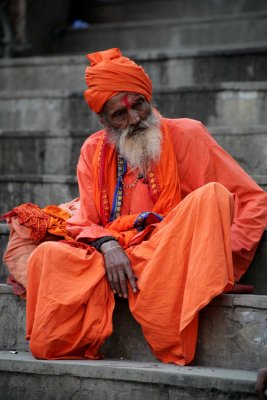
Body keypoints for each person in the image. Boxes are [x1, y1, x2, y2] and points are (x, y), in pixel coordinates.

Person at [19, 48, 267, 364]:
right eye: (120, 115)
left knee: (213, 197)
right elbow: (86, 220)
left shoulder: (187, 133)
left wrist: (219, 257)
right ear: (103, 120)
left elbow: (251, 200)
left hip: (171, 250)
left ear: (148, 98)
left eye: (139, 104)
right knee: (48, 255)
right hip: (118, 255)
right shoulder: (93, 151)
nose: (135, 119)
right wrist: (109, 246)